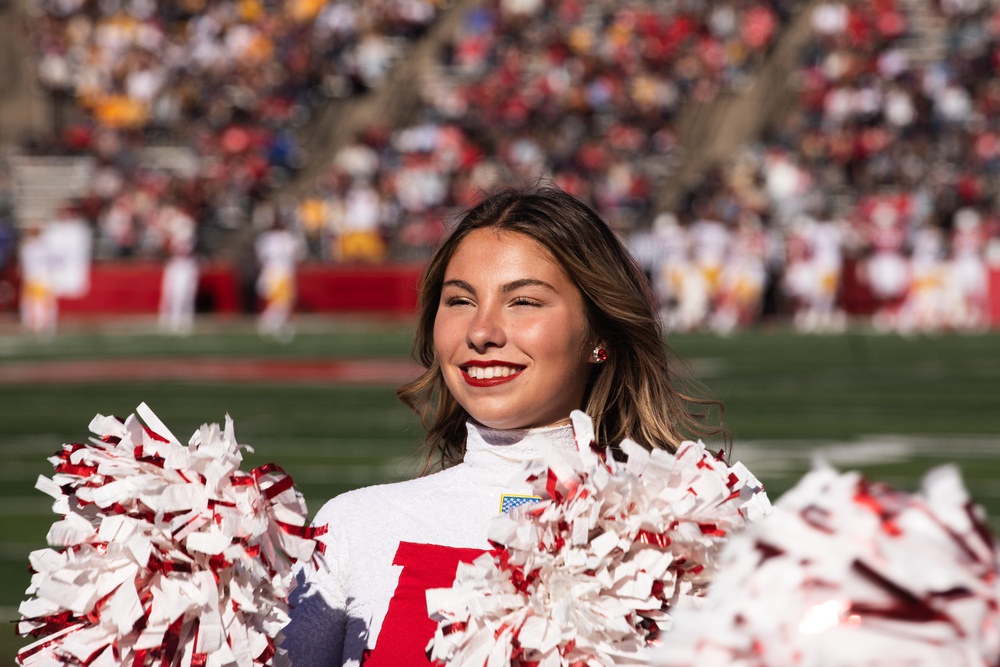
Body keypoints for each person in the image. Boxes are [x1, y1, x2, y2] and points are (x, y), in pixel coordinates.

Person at [282, 186, 725, 667]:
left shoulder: (683, 543)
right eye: (459, 302)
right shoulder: (354, 527)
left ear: (600, 334)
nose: (480, 332)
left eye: (524, 302)